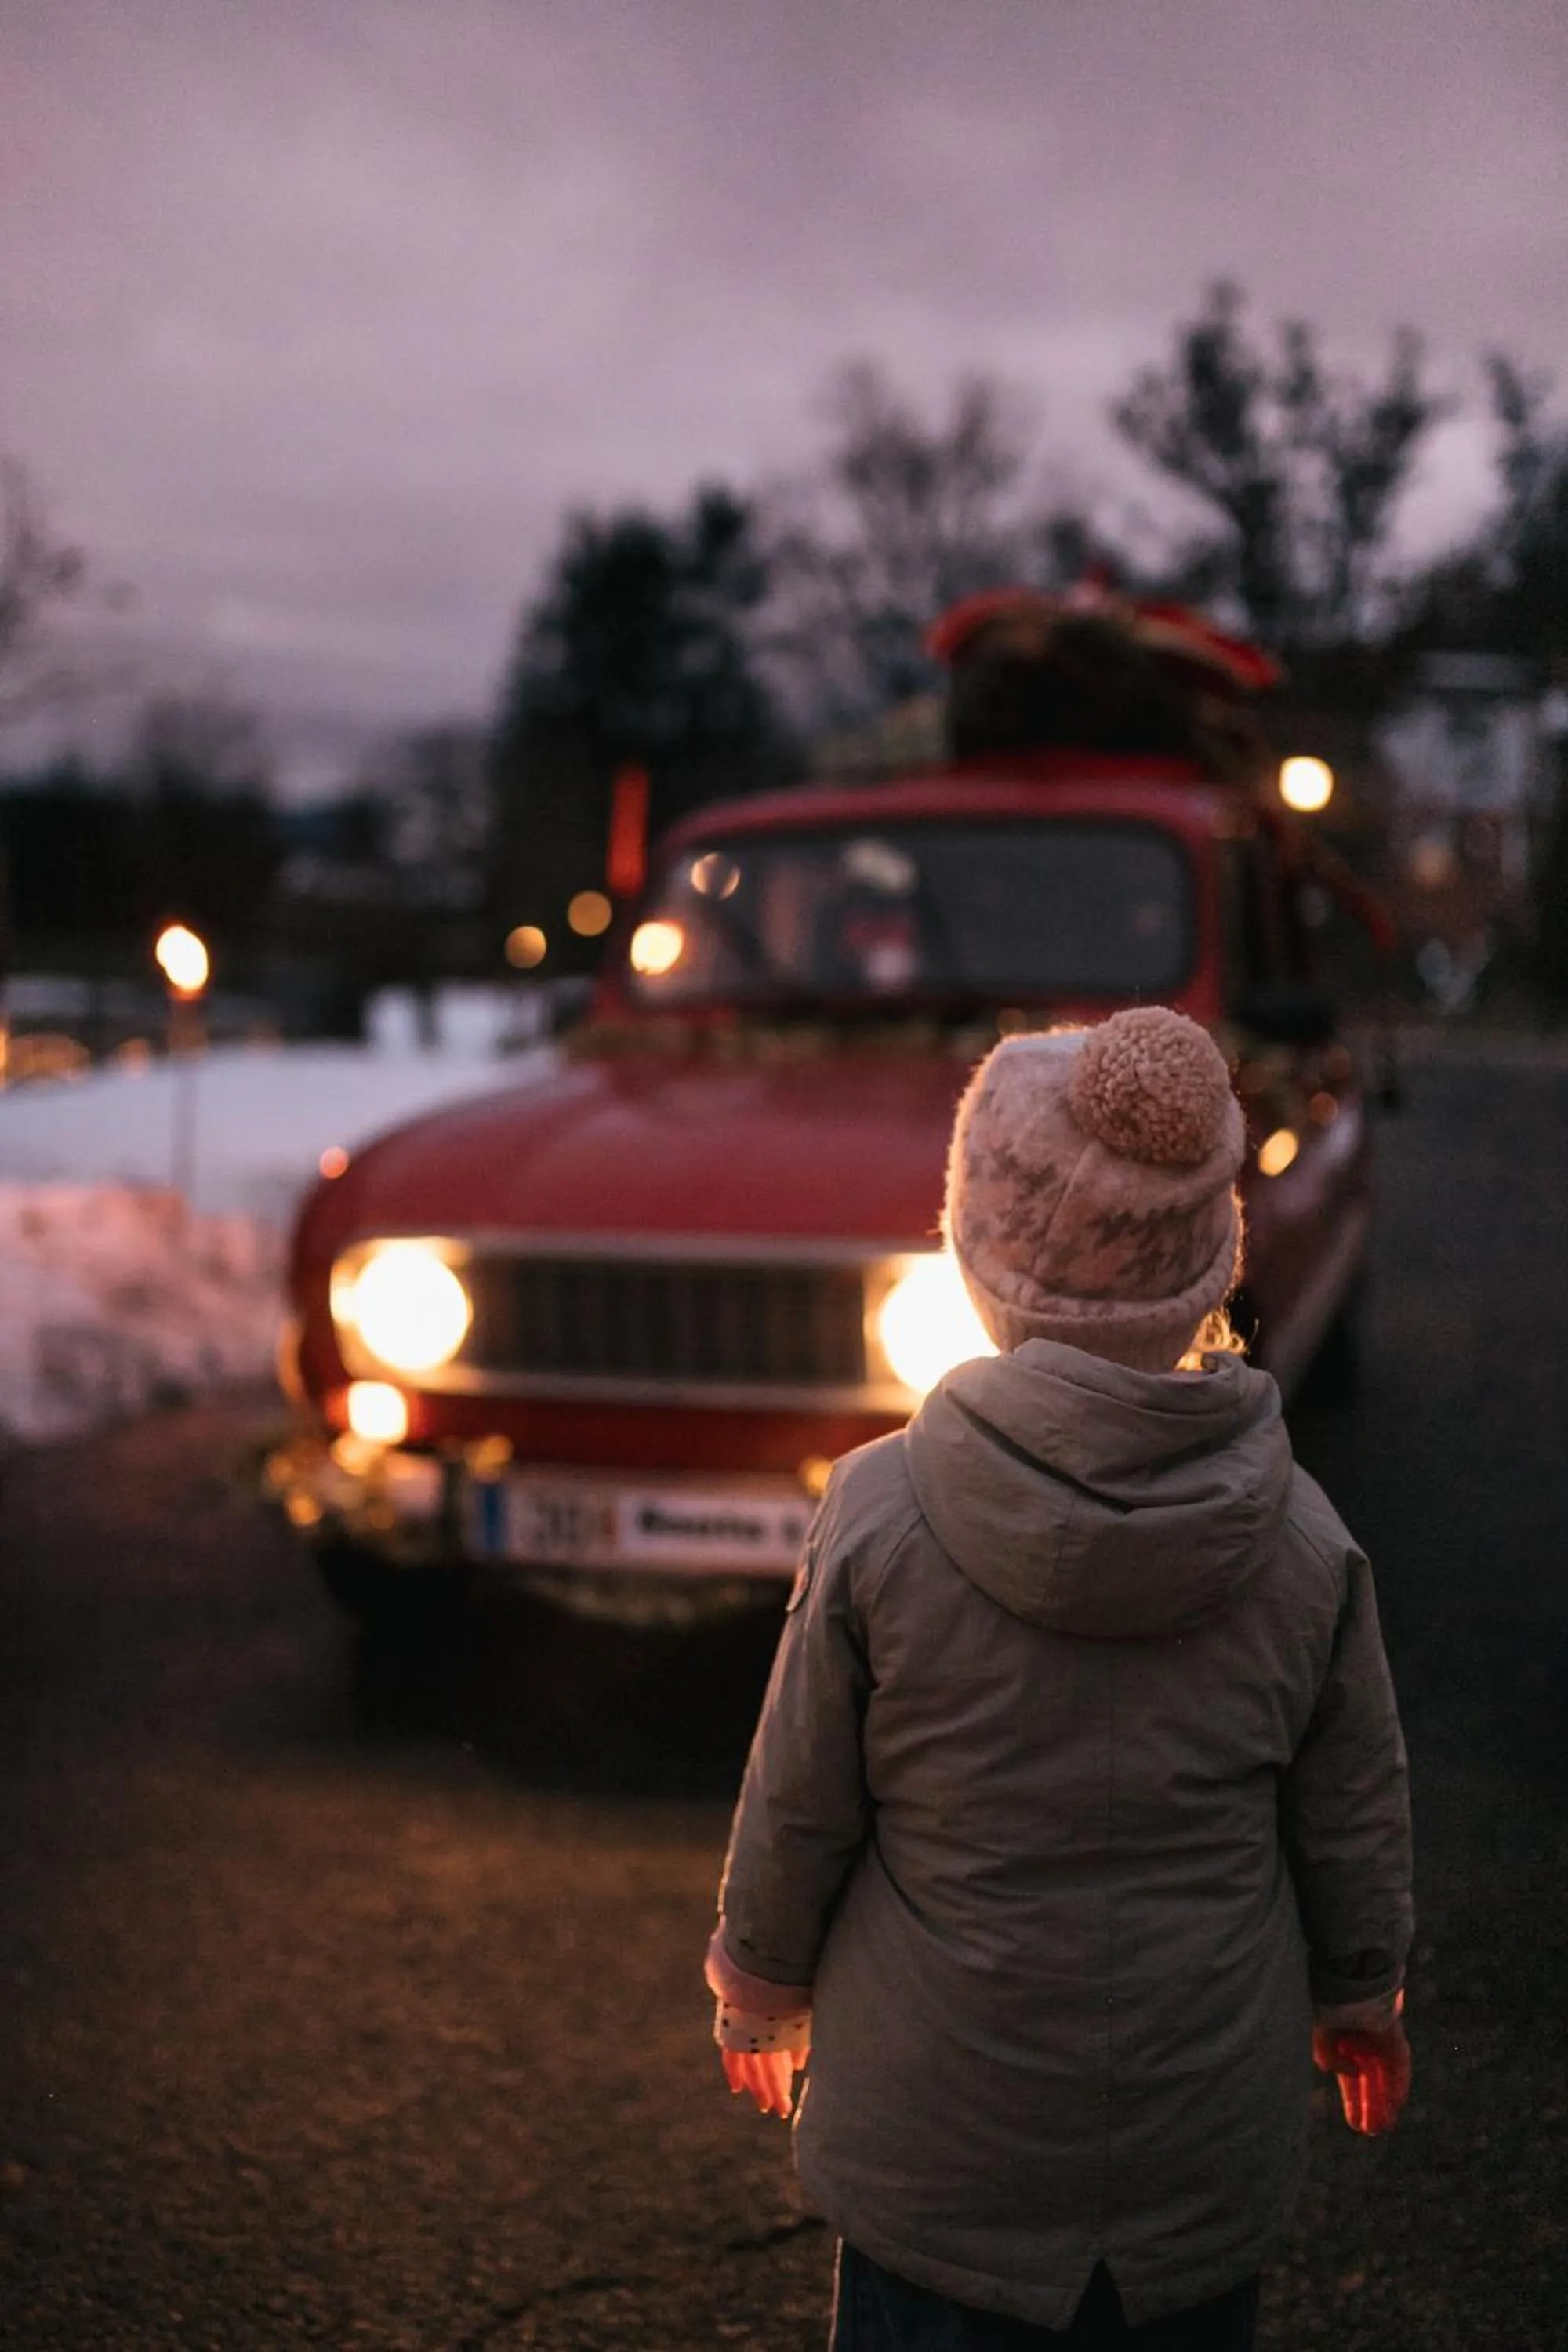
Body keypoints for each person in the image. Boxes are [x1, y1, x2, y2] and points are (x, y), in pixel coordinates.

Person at [706, 1006, 1413, 2350]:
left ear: (979, 1255)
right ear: (1212, 1264)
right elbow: (1354, 1805)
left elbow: (799, 1795)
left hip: (938, 2158)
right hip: (1192, 2162)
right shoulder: (1305, 1542)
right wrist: (1360, 1995)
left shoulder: (881, 1514)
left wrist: (759, 1976)